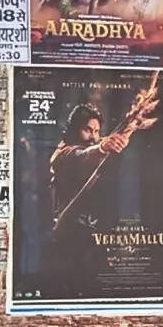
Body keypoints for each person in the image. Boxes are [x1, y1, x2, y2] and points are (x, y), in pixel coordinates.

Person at [48, 104, 132, 294]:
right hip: (69, 239)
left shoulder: (93, 146)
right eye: (87, 130)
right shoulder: (62, 154)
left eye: (96, 131)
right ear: (74, 129)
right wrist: (102, 147)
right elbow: (81, 156)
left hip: (92, 238)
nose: (93, 136)